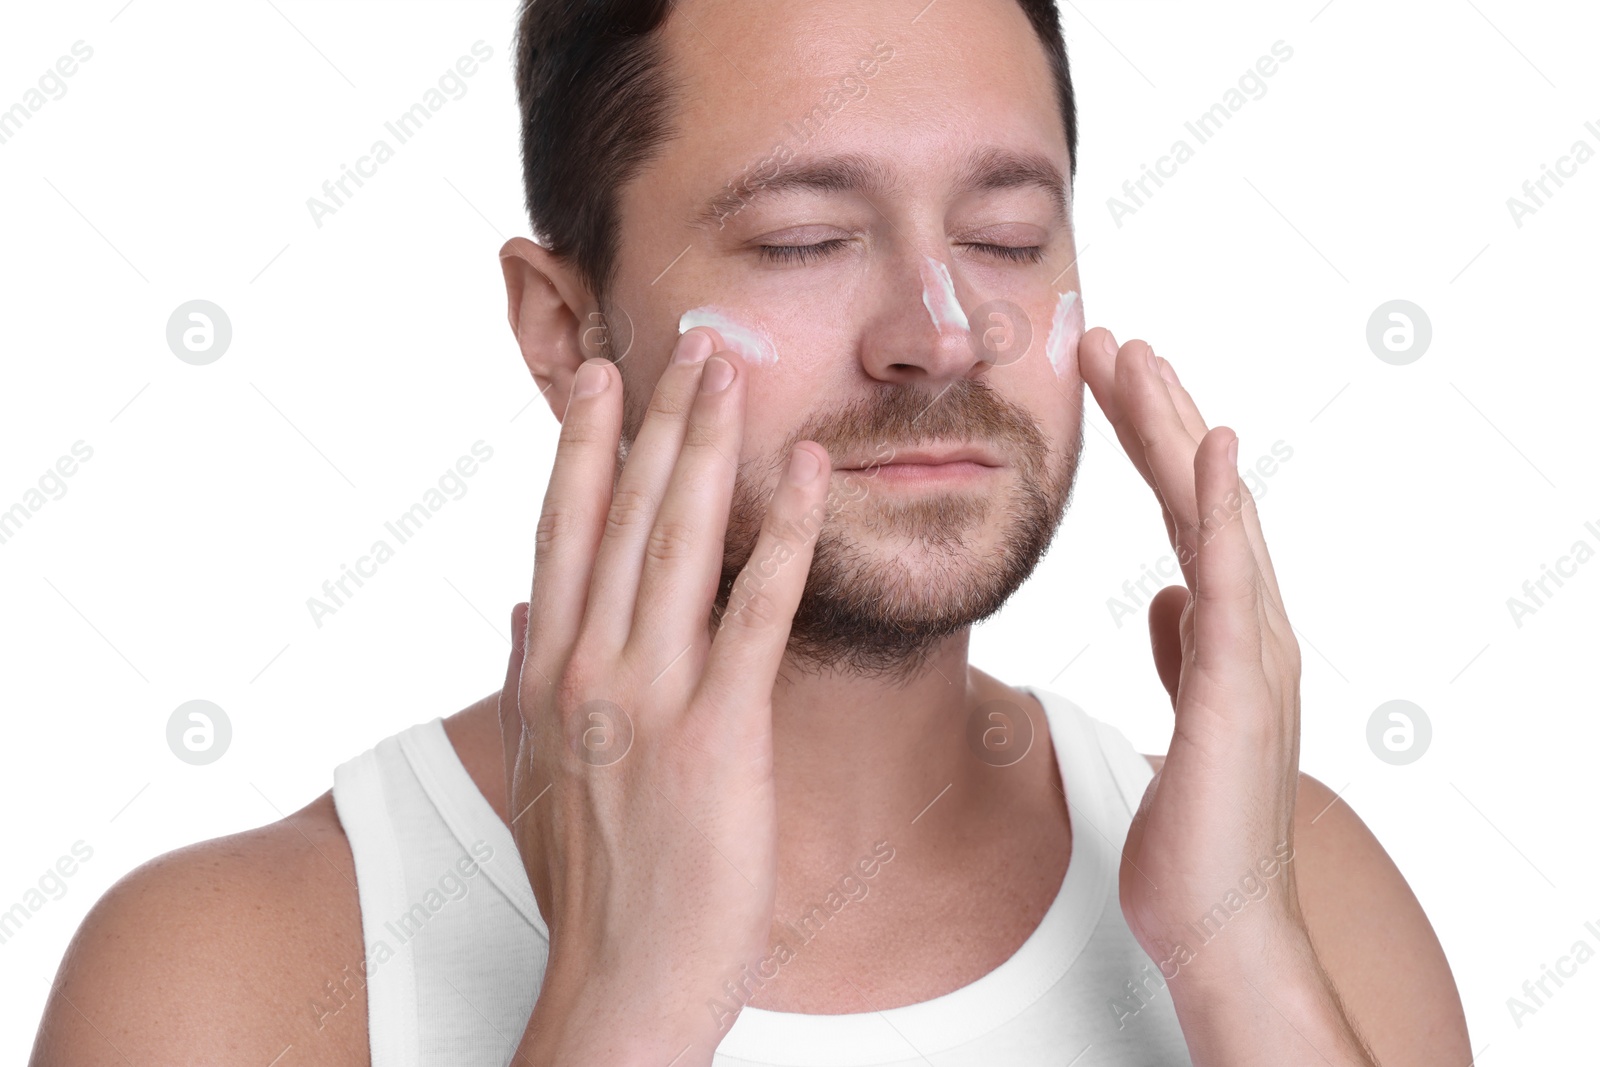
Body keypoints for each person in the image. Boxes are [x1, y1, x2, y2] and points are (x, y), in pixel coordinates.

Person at [30, 0, 1472, 1064]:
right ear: (562, 326)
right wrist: (624, 1013)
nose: (943, 334)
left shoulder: (1302, 896)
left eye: (1010, 234)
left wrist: (1241, 972)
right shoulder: (228, 979)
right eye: (803, 240)